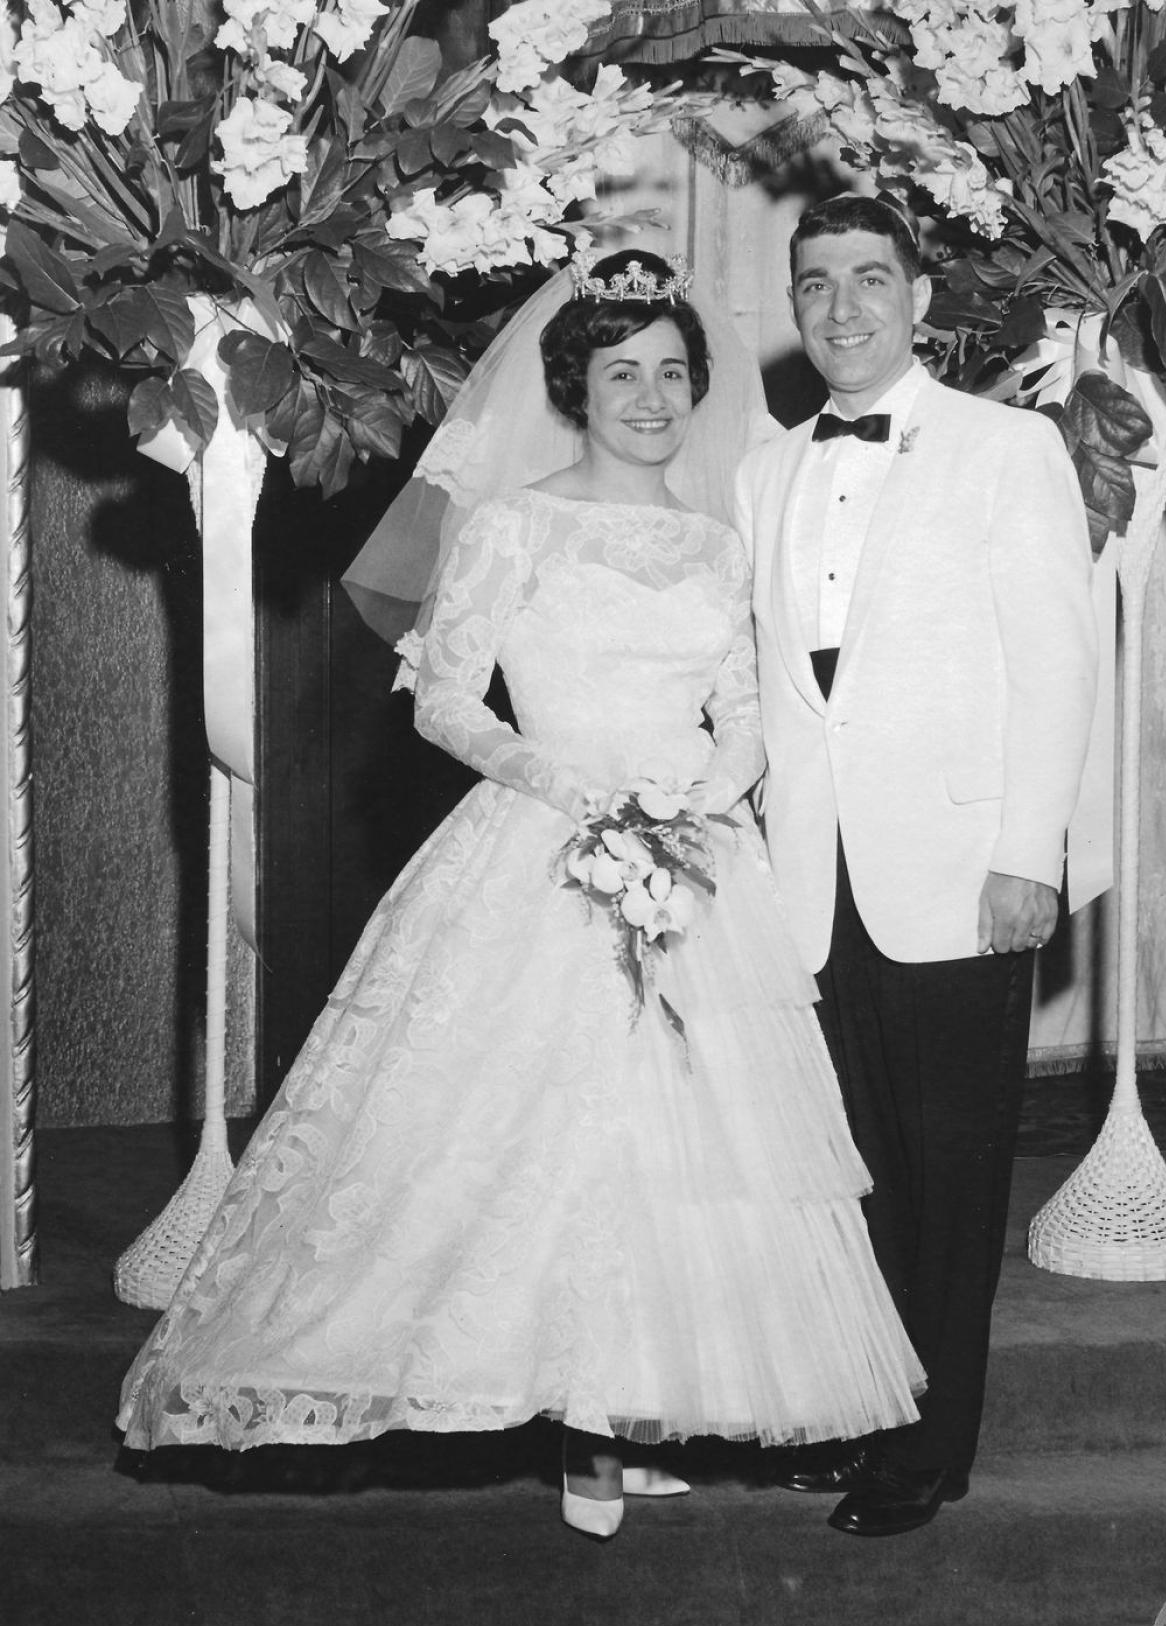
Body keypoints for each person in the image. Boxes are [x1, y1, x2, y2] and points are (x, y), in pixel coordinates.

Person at [117, 248, 925, 1540]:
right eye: (623, 375)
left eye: (672, 374)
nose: (651, 398)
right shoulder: (514, 524)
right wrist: (566, 781)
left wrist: (700, 797)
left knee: (684, 1150)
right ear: (576, 386)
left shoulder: (723, 544)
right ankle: (560, 1421)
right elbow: (444, 698)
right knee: (524, 1143)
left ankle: (632, 1416)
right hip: (542, 841)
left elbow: (748, 711)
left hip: (691, 859)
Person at [734, 195, 1098, 1538]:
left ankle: (931, 1450)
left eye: (869, 281)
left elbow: (1060, 664)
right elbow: (771, 700)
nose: (843, 309)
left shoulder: (1008, 449)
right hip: (809, 887)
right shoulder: (762, 472)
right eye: (817, 284)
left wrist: (1028, 852)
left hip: (959, 873)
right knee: (854, 1175)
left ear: (921, 297)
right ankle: (865, 1413)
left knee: (952, 1185)